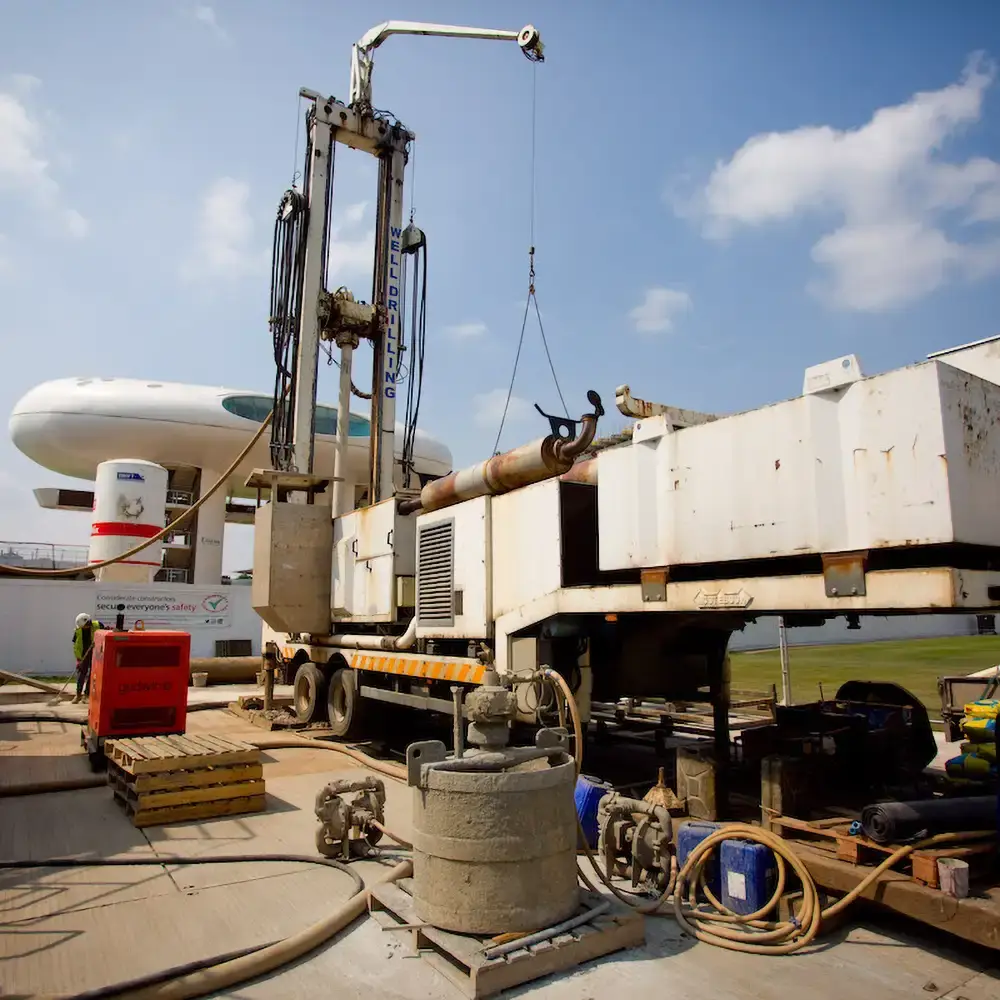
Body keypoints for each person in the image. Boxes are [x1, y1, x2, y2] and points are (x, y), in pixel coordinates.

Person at [72, 613, 105, 703]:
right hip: (83, 655)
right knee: (81, 674)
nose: (83, 628)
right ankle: (78, 694)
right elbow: (75, 645)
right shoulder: (78, 630)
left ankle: (86, 695)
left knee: (92, 674)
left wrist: (98, 641)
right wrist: (78, 659)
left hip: (95, 654)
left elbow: (105, 637)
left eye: (85, 626)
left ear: (88, 622)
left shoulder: (98, 625)